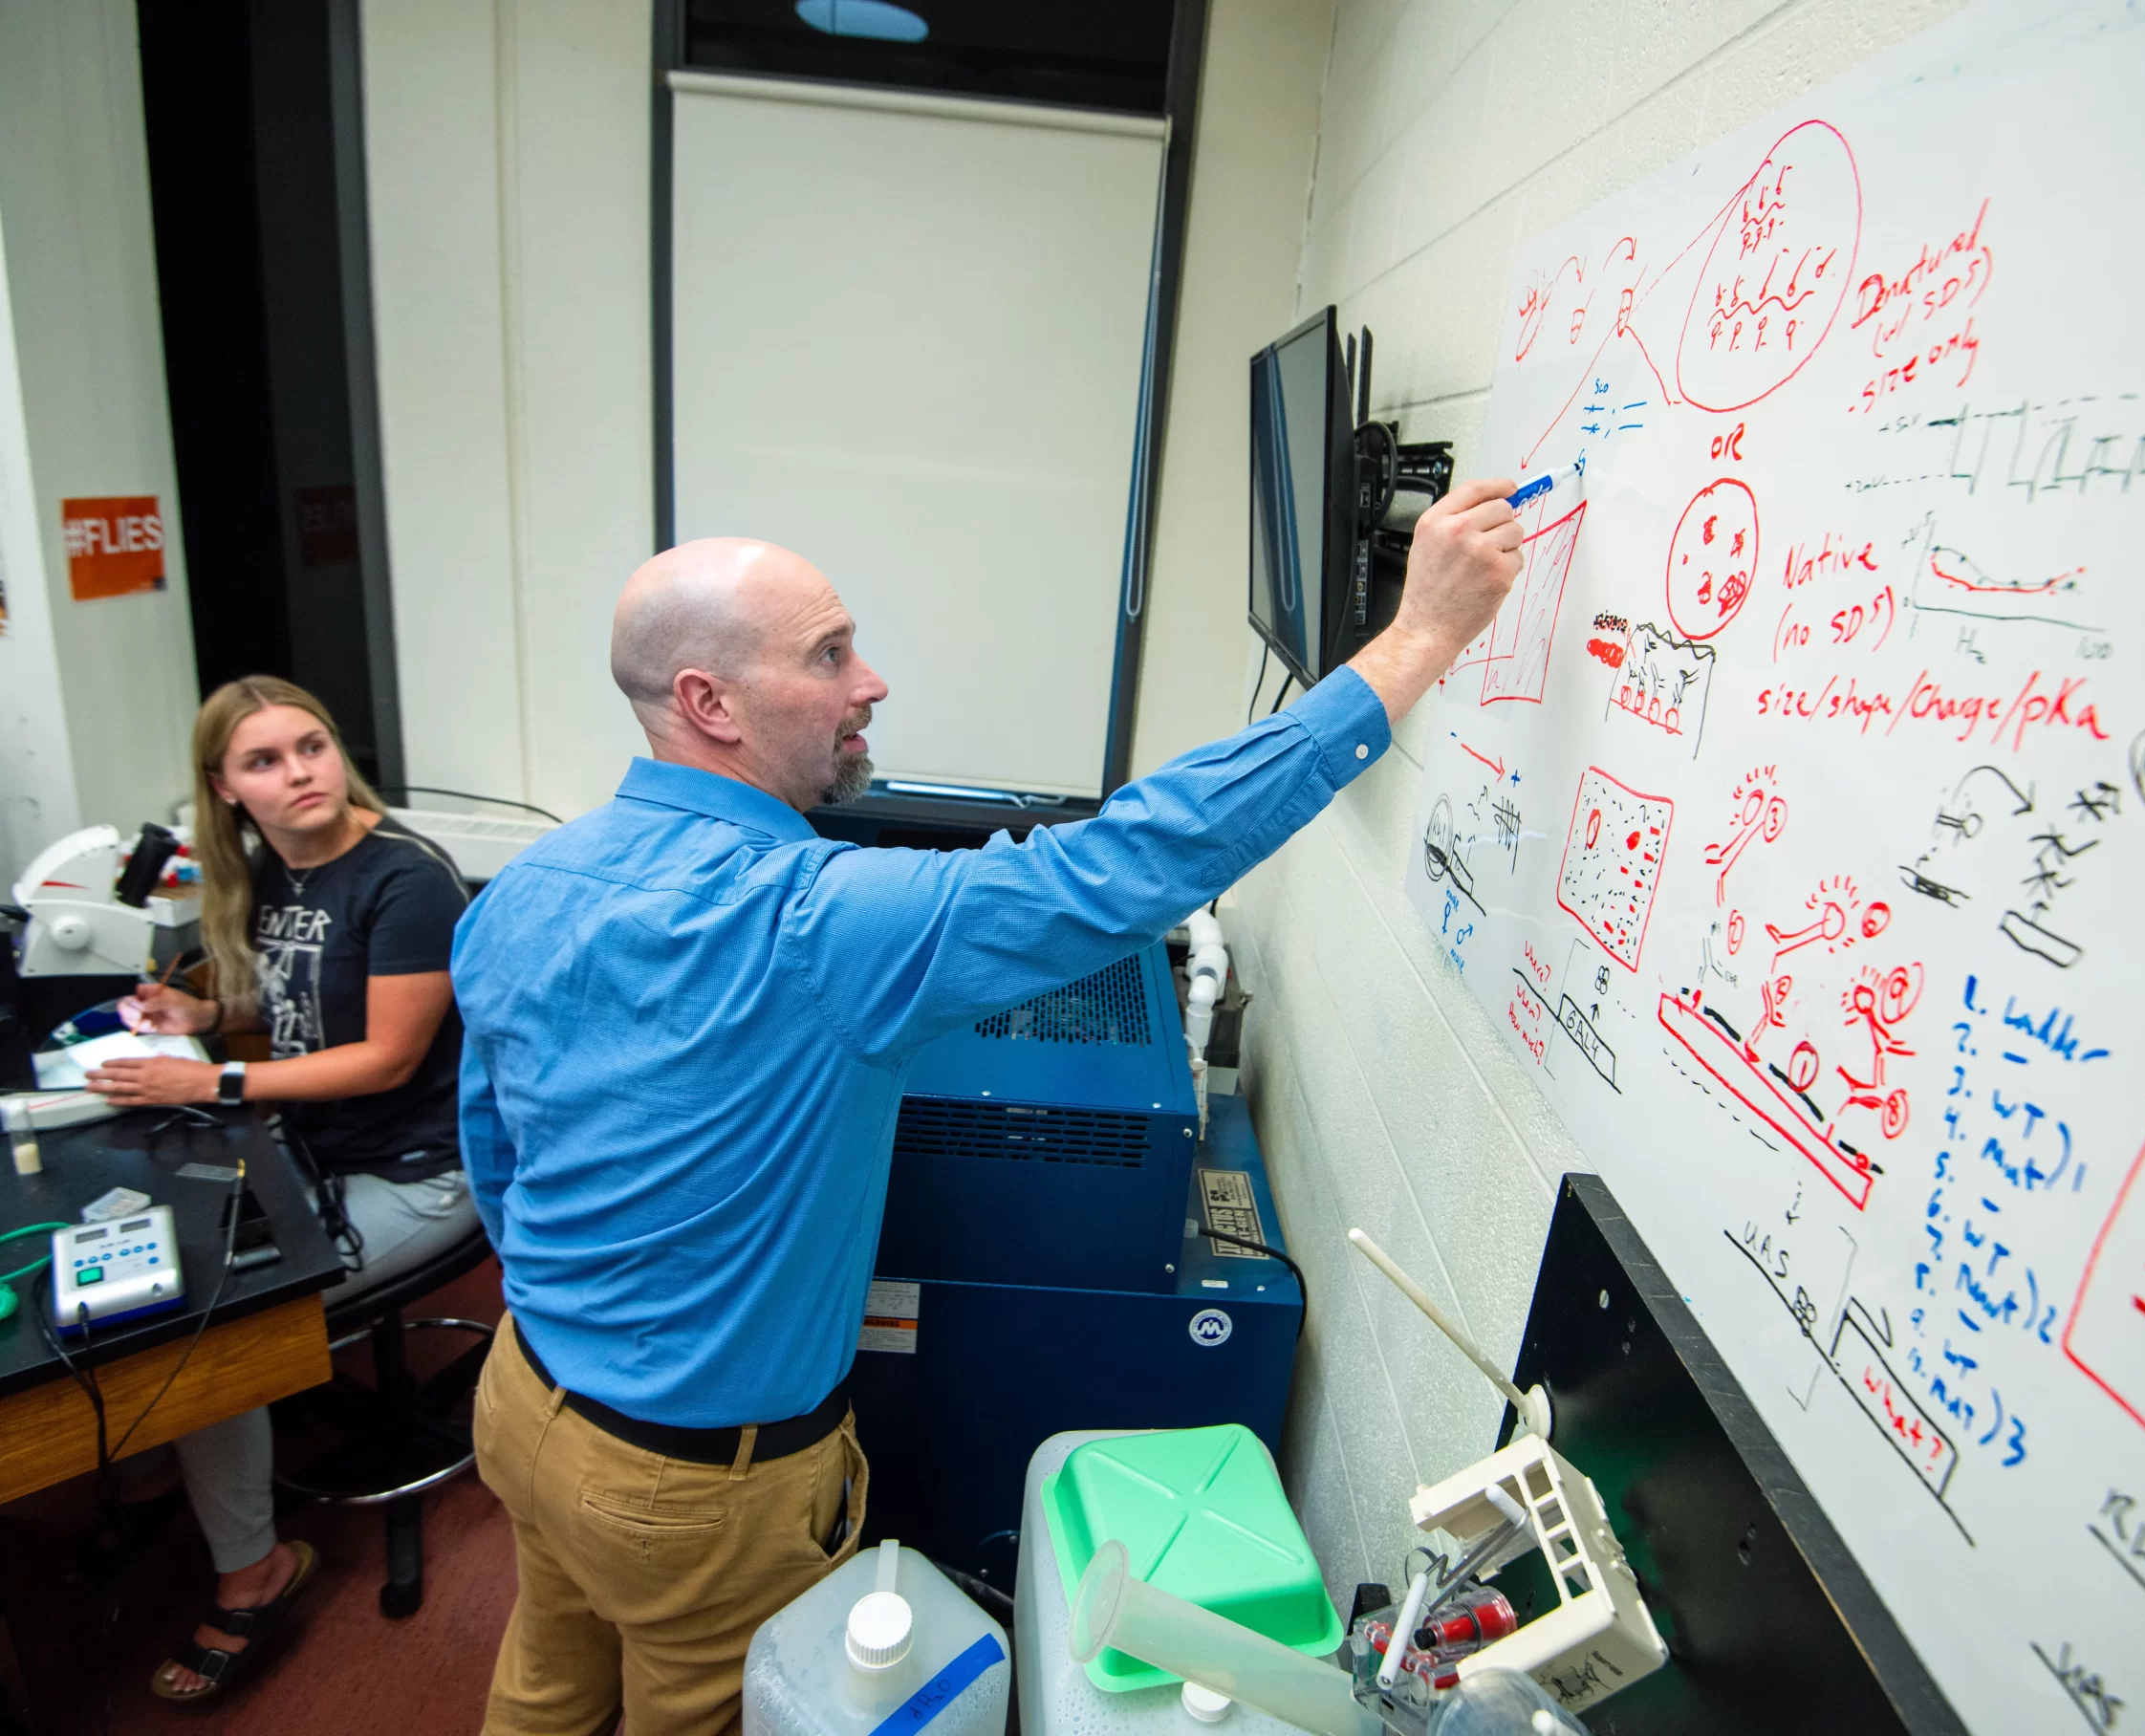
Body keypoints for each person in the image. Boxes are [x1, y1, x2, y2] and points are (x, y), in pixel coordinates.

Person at [453, 478, 1527, 1736]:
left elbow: (500, 1166)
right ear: (708, 704)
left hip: (523, 1405)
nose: (873, 683)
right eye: (831, 655)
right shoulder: (819, 924)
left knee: (544, 1678)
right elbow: (1132, 860)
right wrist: (1420, 642)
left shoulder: (525, 890)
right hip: (693, 1492)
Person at [85, 676, 478, 1702]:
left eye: (311, 746)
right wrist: (197, 1014)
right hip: (308, 1154)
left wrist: (209, 1075)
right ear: (224, 788)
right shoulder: (268, 870)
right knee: (146, 1257)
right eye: (264, 760)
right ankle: (187, 1450)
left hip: (420, 1173)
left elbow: (387, 1058)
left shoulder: (405, 877)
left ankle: (254, 1566)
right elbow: (292, 1004)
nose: (299, 773)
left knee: (207, 1328)